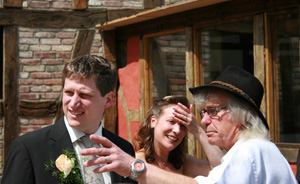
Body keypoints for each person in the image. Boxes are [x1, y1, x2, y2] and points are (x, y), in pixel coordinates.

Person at [80, 65, 298, 184]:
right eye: (203, 113)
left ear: (240, 116)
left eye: (212, 111)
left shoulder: (251, 151)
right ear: (153, 122)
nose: (203, 121)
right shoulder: (253, 150)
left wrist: (134, 168)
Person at [2, 54, 136, 184]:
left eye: (84, 95)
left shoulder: (123, 149)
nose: (73, 103)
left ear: (108, 100)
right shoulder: (29, 148)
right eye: (69, 93)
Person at [134, 95, 223, 177]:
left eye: (183, 126)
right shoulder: (137, 162)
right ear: (153, 121)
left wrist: (197, 130)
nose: (177, 130)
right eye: (171, 121)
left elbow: (222, 169)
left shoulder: (181, 162)